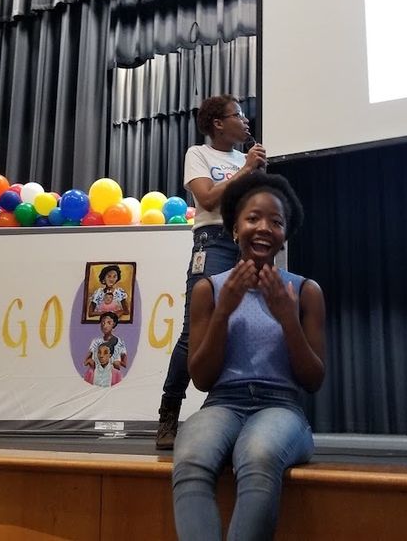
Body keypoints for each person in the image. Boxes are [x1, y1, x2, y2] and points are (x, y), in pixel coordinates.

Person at [171, 173, 326, 541]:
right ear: (235, 228)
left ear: (285, 235)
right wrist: (224, 310)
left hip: (282, 408)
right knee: (191, 458)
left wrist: (288, 319)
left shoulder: (305, 292)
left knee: (258, 456)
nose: (264, 228)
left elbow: (313, 380)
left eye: (276, 222)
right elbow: (202, 379)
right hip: (222, 403)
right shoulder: (210, 289)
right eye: (253, 218)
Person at [156, 94, 268, 449]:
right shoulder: (199, 154)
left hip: (246, 245)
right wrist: (247, 170)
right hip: (213, 244)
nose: (246, 121)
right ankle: (168, 413)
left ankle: (221, 411)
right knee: (195, 334)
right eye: (238, 115)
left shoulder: (247, 159)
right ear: (218, 123)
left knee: (241, 329)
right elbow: (206, 199)